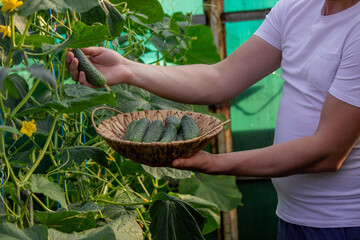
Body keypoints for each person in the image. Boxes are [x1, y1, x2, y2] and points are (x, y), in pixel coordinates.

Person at [67, 0, 360, 239]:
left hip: (344, 225)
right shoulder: (296, 7)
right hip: (292, 217)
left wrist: (214, 163)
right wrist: (128, 69)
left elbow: (327, 152)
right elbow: (222, 77)